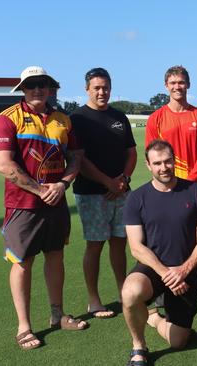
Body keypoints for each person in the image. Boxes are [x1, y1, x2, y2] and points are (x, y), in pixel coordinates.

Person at [0, 66, 87, 350]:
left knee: (55, 256)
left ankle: (57, 315)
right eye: (31, 85)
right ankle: (24, 326)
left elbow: (76, 156)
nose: (37, 89)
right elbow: (4, 165)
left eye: (42, 84)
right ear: (23, 88)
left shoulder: (62, 119)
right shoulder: (7, 119)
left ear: (50, 88)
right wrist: (40, 189)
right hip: (23, 205)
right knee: (22, 263)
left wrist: (63, 184)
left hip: (55, 203)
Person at [121, 140, 197, 365]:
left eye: (168, 161)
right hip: (153, 268)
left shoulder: (195, 191)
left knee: (179, 341)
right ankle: (139, 346)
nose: (164, 167)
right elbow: (136, 247)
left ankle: (153, 318)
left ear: (175, 161)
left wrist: (183, 270)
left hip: (185, 269)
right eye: (157, 163)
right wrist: (165, 273)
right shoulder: (137, 198)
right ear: (148, 165)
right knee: (130, 292)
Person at [71, 67, 137, 318]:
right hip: (91, 193)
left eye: (106, 87)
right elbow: (80, 159)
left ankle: (124, 293)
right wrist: (106, 182)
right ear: (87, 89)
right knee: (95, 245)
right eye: (97, 88)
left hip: (121, 191)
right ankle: (94, 300)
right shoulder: (78, 119)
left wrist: (122, 180)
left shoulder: (119, 116)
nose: (102, 92)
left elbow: (130, 152)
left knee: (119, 244)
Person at [145, 65, 197, 303]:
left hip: (196, 186)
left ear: (188, 84)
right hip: (165, 187)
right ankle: (165, 283)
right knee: (165, 236)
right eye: (173, 83)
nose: (177, 86)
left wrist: (190, 181)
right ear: (166, 86)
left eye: (181, 82)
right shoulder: (157, 118)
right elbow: (152, 153)